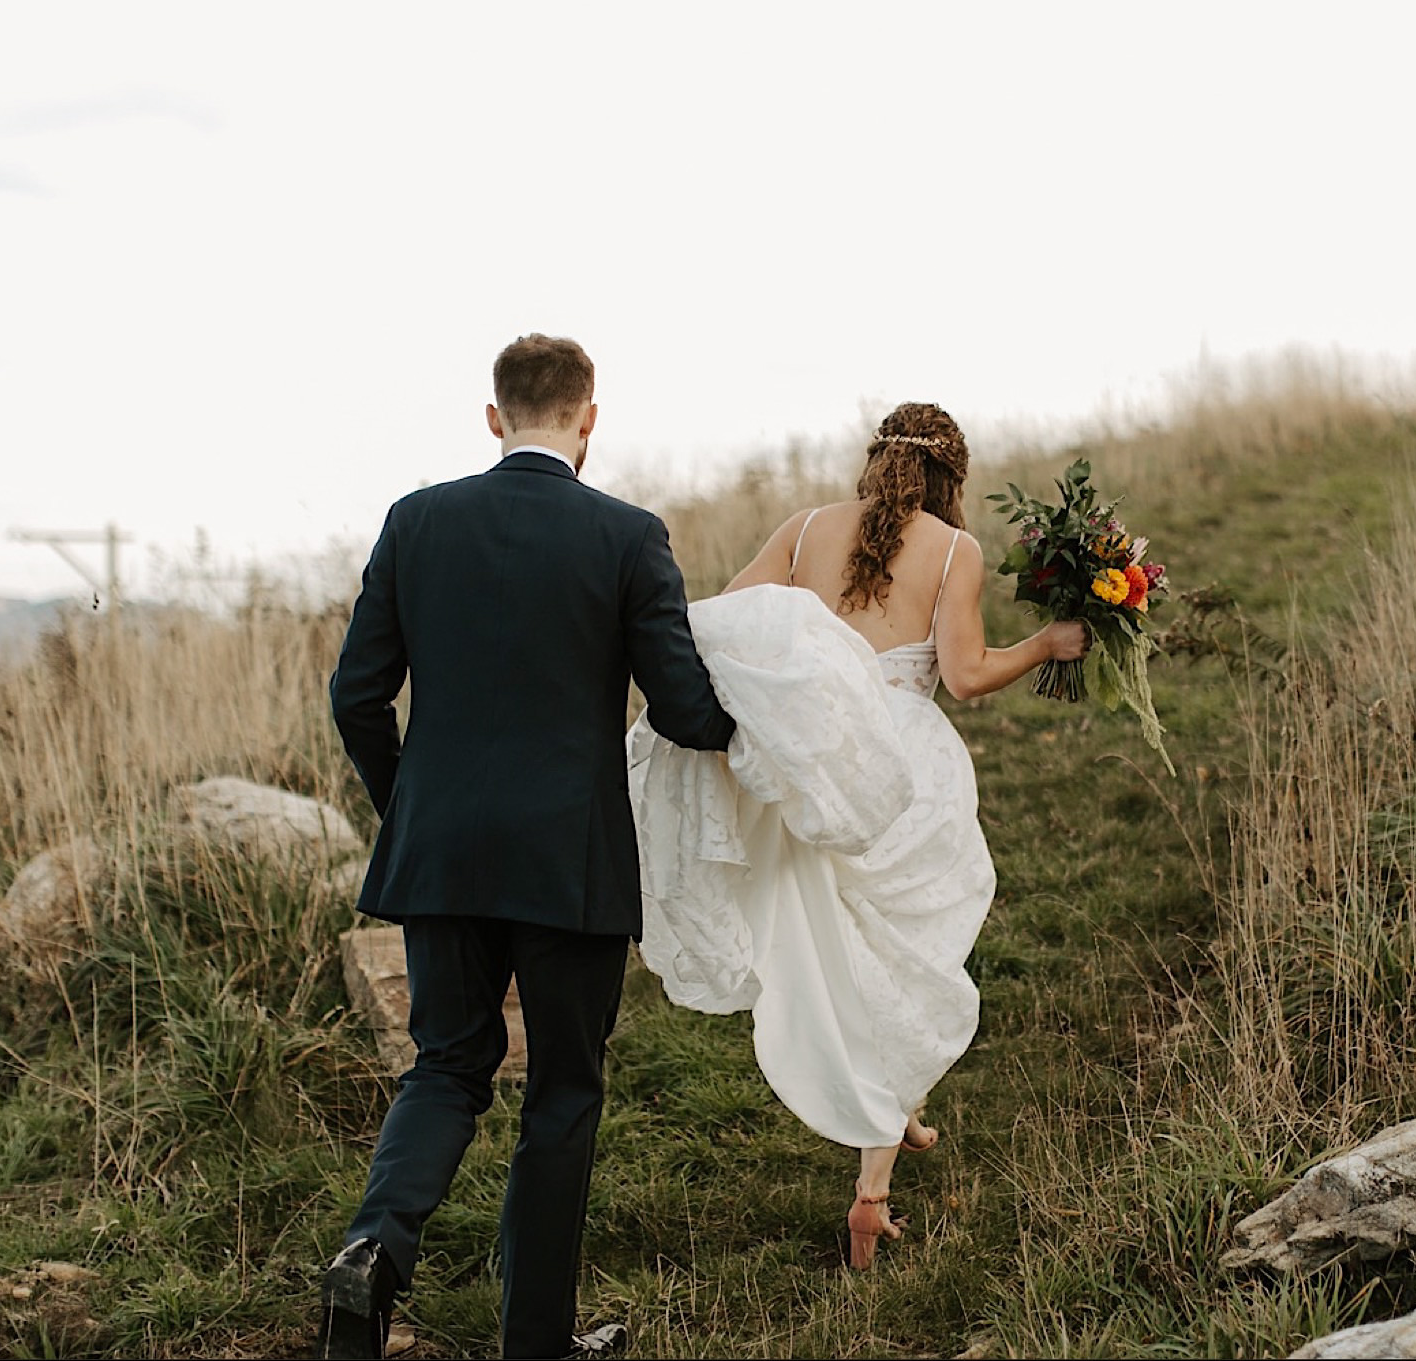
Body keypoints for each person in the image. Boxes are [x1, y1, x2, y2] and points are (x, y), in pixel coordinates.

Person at [322, 334, 735, 1360]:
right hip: (571, 865)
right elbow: (685, 712)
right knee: (561, 1090)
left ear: (495, 417)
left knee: (446, 1066)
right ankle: (535, 1345)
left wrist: (408, 806)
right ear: (589, 420)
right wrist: (768, 725)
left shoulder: (415, 522)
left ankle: (373, 1251)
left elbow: (354, 695)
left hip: (442, 857)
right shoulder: (628, 537)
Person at [625, 401, 1087, 1269]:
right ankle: (871, 1187)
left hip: (814, 768)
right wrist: (1047, 642)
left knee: (840, 950)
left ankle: (885, 1107)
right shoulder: (955, 550)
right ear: (951, 477)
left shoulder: (803, 530)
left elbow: (721, 621)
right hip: (901, 771)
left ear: (874, 463)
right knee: (909, 955)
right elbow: (965, 674)